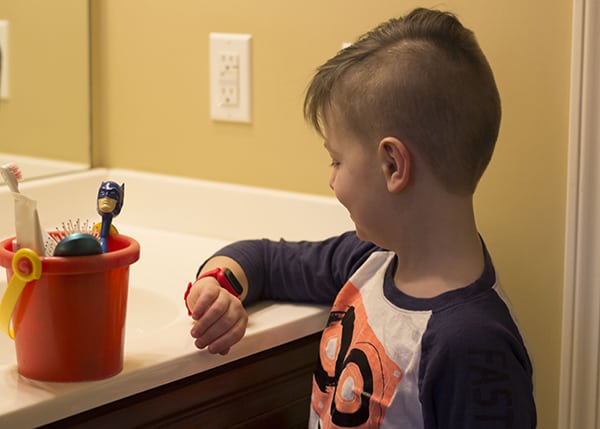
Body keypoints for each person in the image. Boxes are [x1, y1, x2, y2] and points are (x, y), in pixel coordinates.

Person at [185, 7, 536, 428]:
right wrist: (218, 285)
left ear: (393, 165)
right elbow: (264, 260)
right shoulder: (369, 261)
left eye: (336, 160)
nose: (331, 180)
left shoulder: (471, 346)